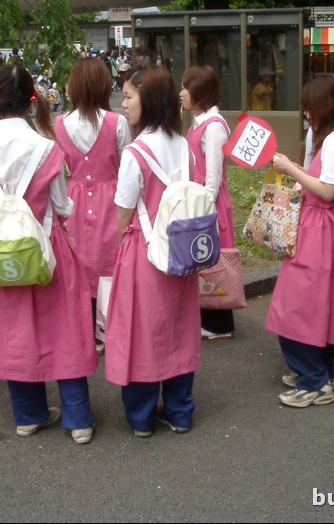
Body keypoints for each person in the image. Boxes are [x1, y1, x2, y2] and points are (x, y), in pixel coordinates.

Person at [0, 64, 98, 444]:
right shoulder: (48, 149)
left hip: (3, 254)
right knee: (64, 328)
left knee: (15, 331)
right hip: (48, 249)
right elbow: (62, 206)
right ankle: (78, 420)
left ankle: (28, 414)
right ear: (33, 99)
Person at [106, 65, 202, 437]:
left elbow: (124, 213)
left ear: (149, 99)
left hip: (144, 252)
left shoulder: (136, 152)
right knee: (178, 327)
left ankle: (142, 417)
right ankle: (180, 411)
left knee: (141, 332)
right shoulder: (183, 146)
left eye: (129, 95)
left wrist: (118, 246)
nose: (124, 102)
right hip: (181, 251)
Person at [264, 74, 334, 407]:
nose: (307, 114)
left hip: (320, 230)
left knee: (295, 308)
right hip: (332, 230)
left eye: (309, 108)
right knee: (323, 304)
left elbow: (327, 190)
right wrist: (295, 167)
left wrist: (290, 170)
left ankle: (314, 380)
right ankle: (322, 372)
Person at [55, 57, 131, 354]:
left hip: (73, 199)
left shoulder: (60, 123)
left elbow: (58, 170)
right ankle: (109, 327)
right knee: (110, 260)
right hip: (113, 199)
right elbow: (128, 167)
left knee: (80, 261)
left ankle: (83, 327)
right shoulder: (117, 123)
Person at [180, 65, 236, 340]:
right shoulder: (201, 121)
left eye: (185, 87)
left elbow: (213, 177)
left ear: (199, 92)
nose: (180, 93)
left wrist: (202, 209)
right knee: (206, 259)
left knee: (215, 259)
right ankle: (211, 318)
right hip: (201, 200)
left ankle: (220, 323)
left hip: (208, 204)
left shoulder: (213, 127)